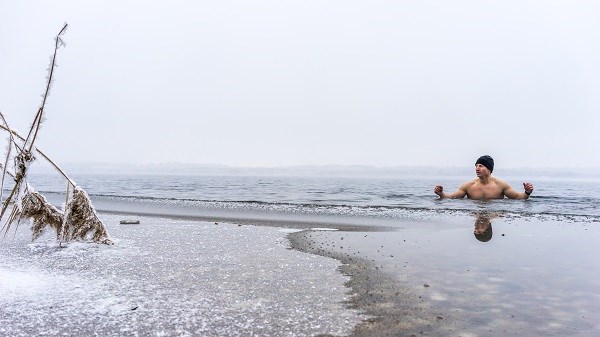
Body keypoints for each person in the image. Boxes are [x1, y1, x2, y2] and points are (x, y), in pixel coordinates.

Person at [434, 155, 534, 200]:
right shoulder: (468, 186)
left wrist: (527, 192)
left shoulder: (500, 185)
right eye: (476, 166)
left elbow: (518, 197)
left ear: (489, 169)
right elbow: (452, 198)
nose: (477, 168)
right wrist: (441, 193)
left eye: (481, 166)